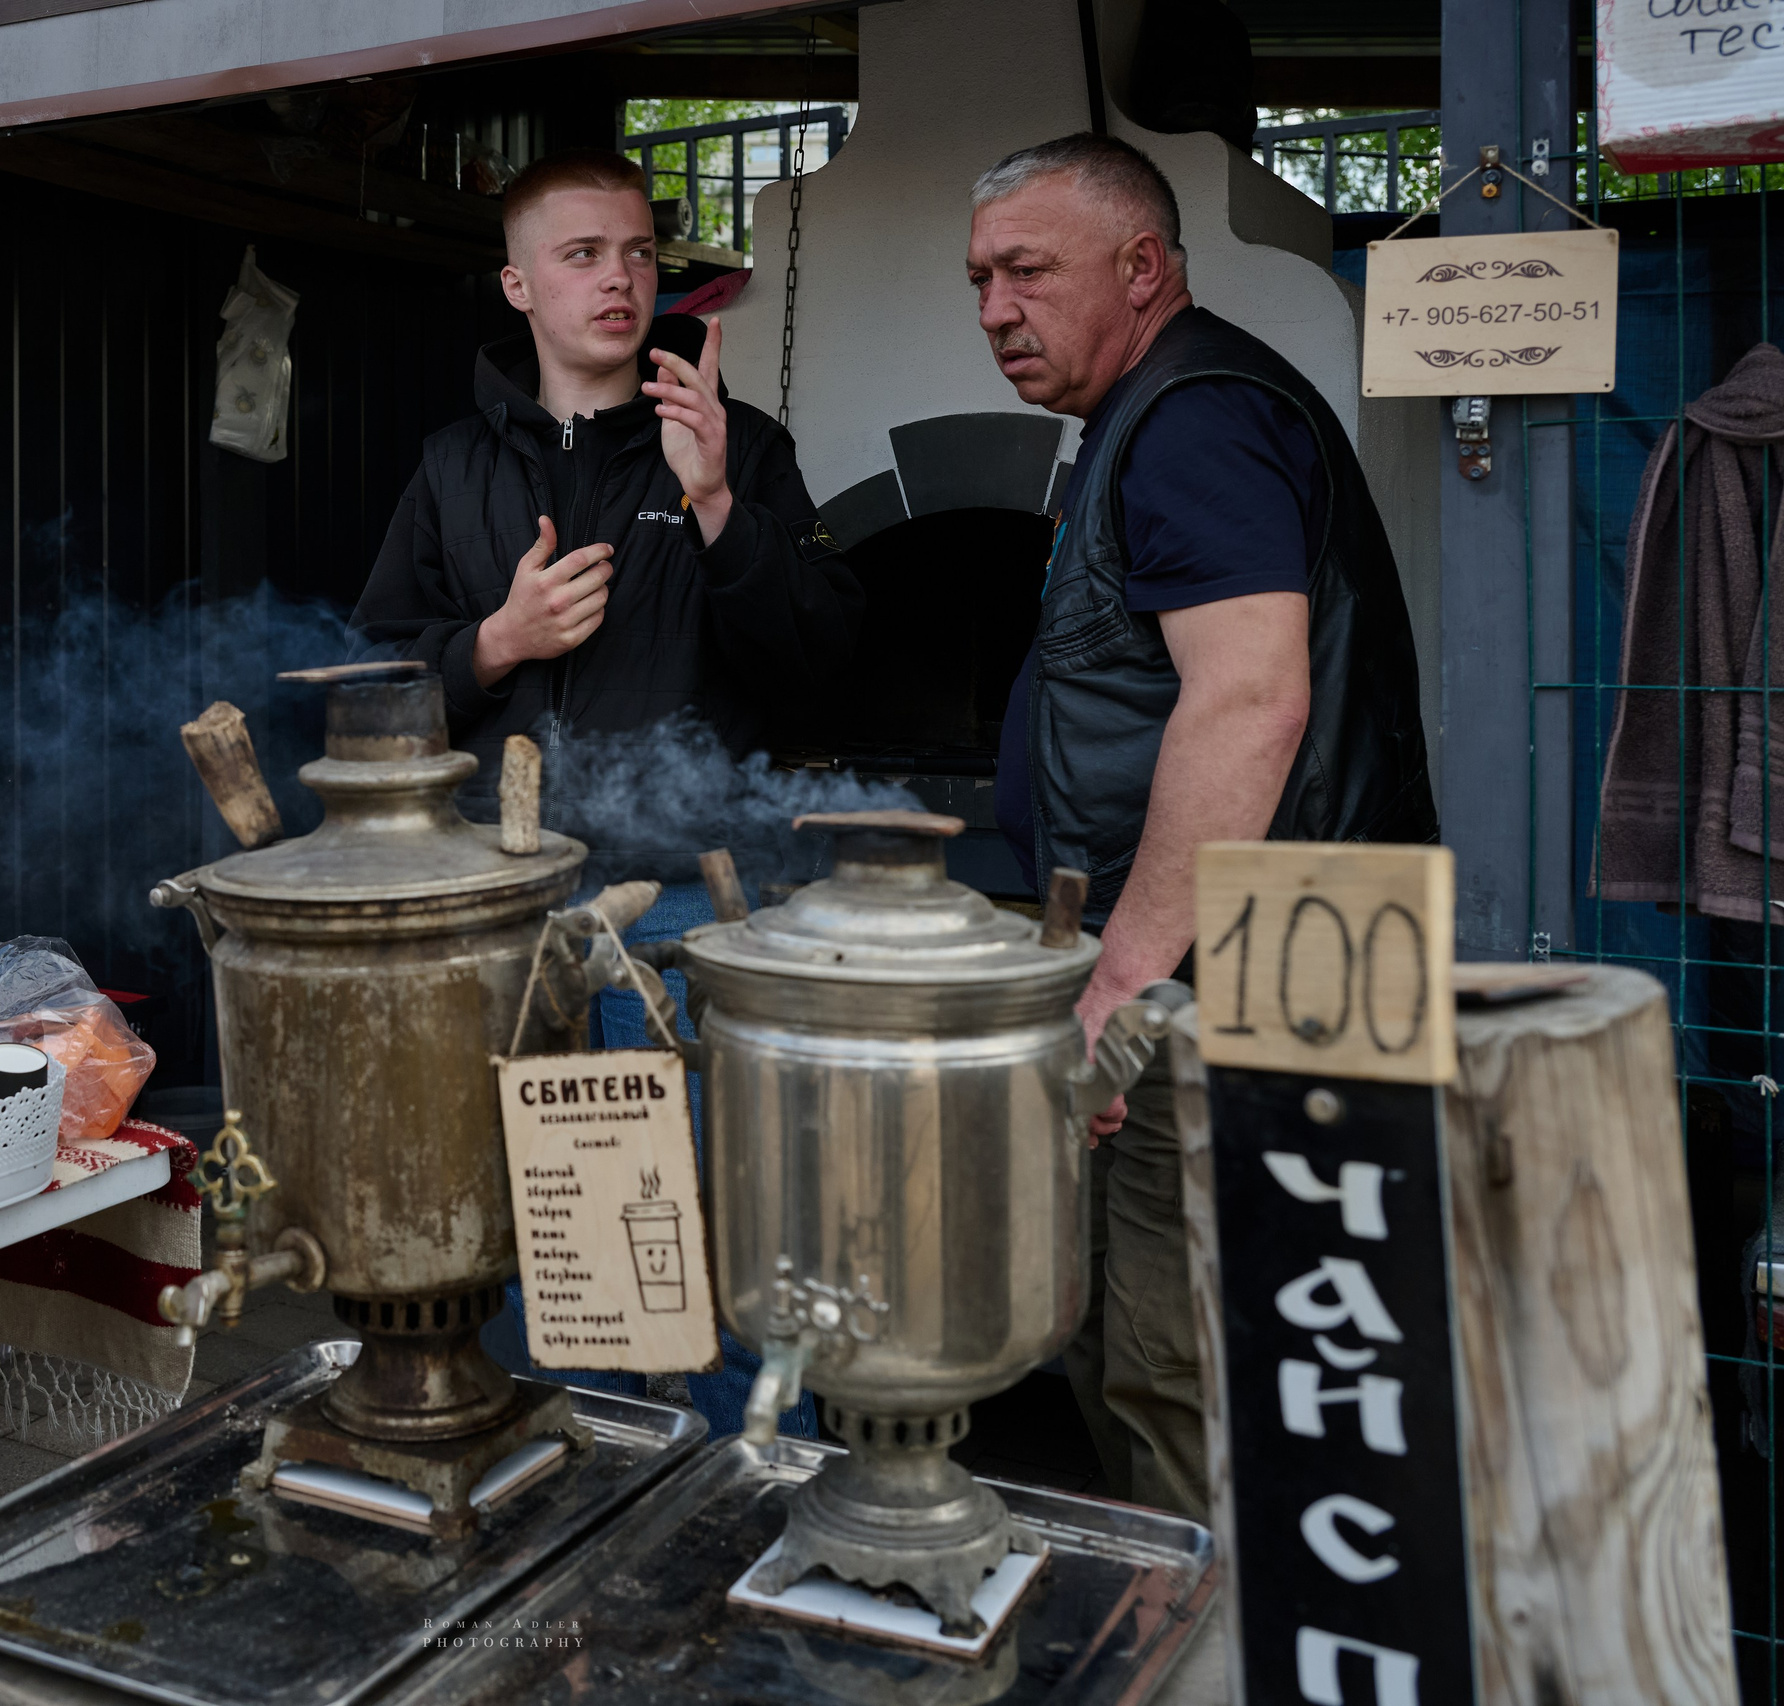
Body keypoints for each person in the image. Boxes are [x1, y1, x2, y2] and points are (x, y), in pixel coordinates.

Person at [352, 148, 863, 1432]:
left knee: (717, 1254)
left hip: (687, 927)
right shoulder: (452, 467)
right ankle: (570, 1525)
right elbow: (367, 686)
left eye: (638, 252)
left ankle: (752, 1517)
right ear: (519, 283)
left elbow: (822, 669)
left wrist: (719, 507)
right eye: (583, 255)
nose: (620, 278)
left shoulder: (738, 446)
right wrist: (494, 644)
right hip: (505, 931)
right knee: (543, 1259)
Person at [968, 134, 1436, 1515]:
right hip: (1238, 961)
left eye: (1028, 271)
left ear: (1144, 266)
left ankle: (1215, 1646)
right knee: (1154, 1354)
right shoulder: (1156, 414)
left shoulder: (1193, 423)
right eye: (981, 277)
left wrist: (1123, 973)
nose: (995, 307)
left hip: (1234, 983)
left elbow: (1248, 705)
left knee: (1189, 1372)